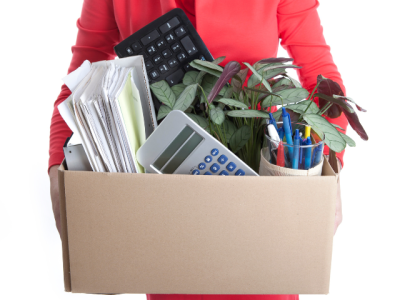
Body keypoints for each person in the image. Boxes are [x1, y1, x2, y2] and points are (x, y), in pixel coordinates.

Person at [49, 1, 346, 299]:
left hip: (260, 212)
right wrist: (55, 172)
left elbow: (321, 76)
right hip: (170, 210)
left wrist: (329, 173)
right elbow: (78, 83)